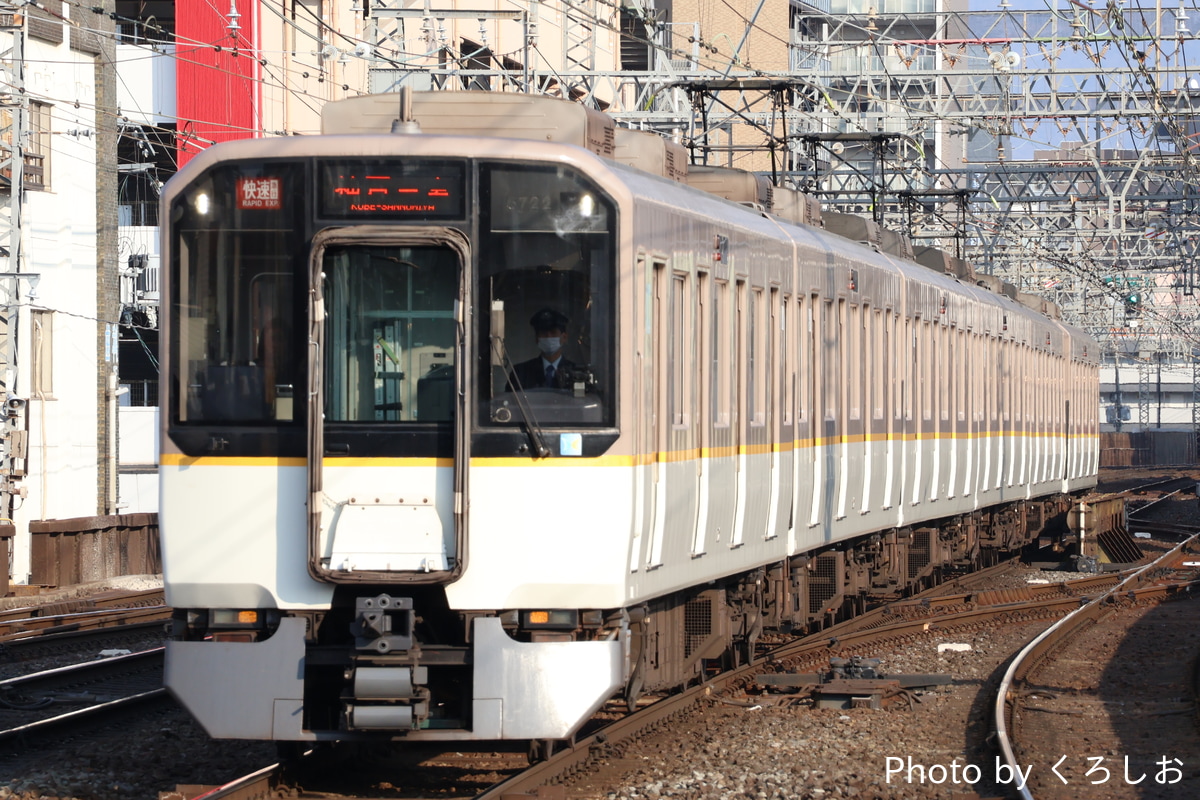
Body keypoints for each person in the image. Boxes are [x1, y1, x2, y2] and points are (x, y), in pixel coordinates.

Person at [508, 308, 576, 391]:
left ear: (564, 337)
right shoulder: (520, 373)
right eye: (543, 333)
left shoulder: (576, 372)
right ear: (537, 339)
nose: (548, 337)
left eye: (553, 332)